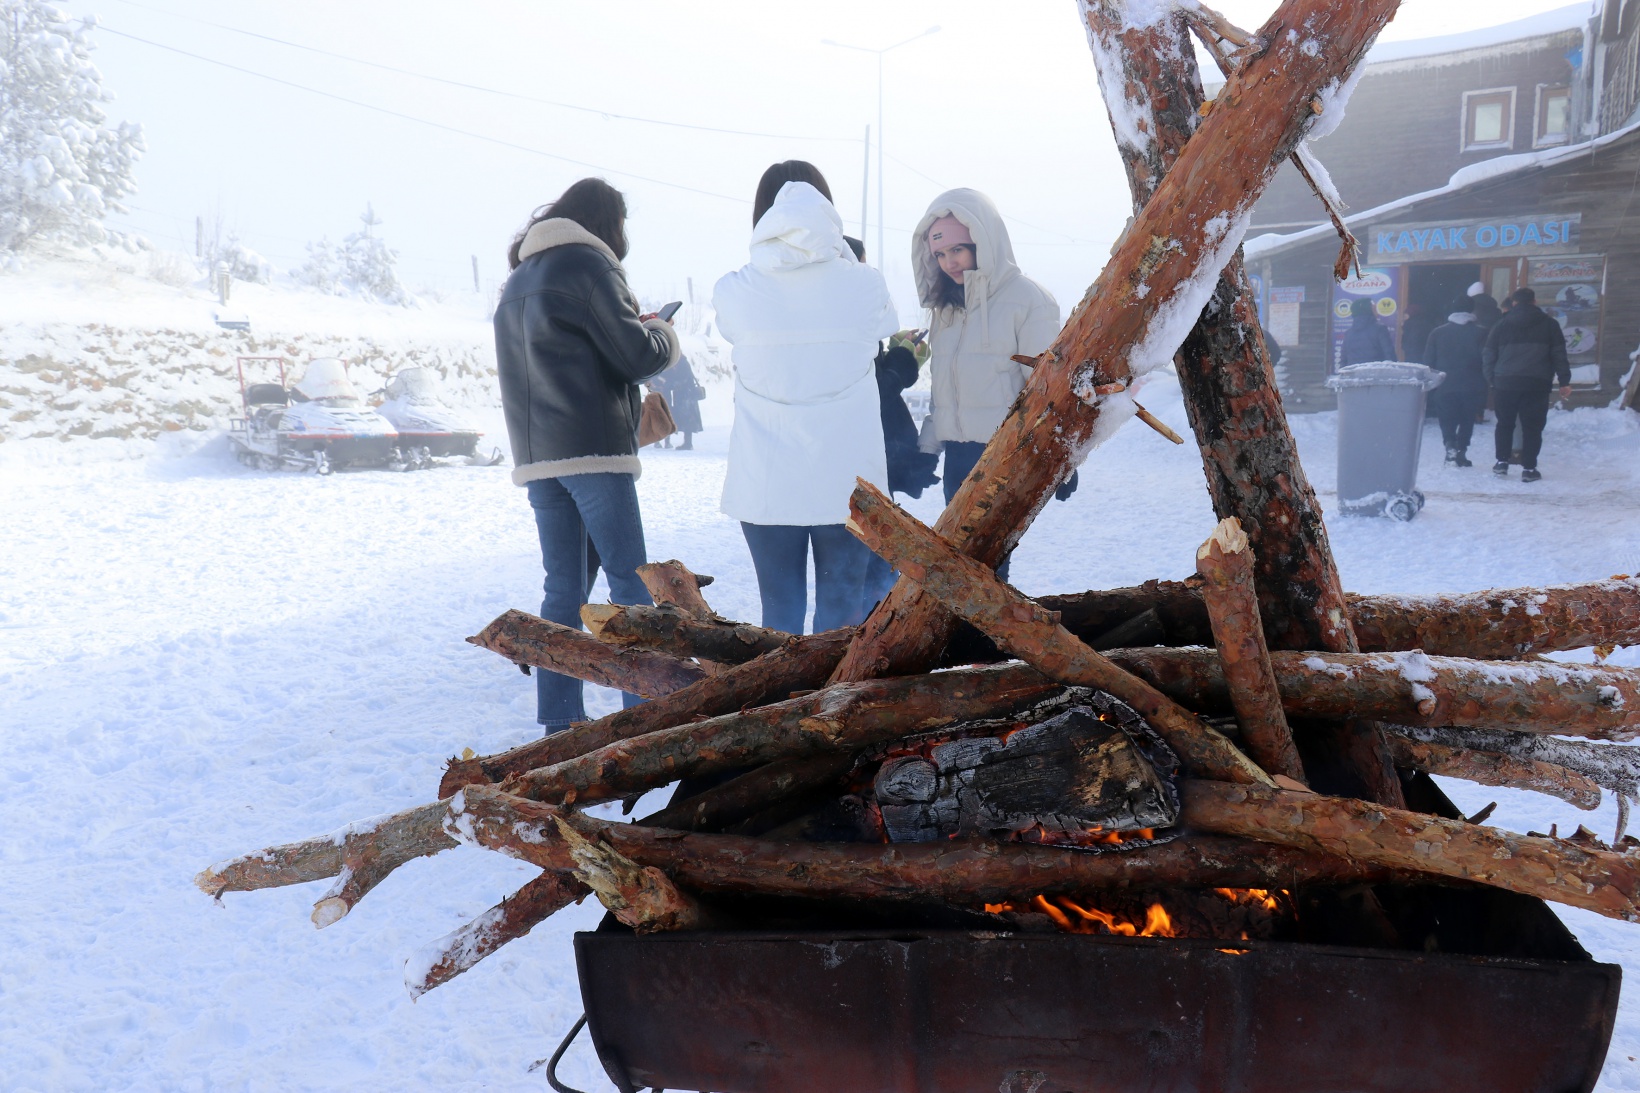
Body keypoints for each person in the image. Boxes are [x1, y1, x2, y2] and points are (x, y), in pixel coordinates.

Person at [494, 178, 680, 733]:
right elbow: (636, 357)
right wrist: (664, 332)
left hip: (539, 459)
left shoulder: (517, 281)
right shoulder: (591, 266)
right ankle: (642, 722)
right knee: (630, 586)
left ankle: (559, 722)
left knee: (563, 589)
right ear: (609, 222)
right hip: (594, 454)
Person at [713, 162, 897, 634]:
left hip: (766, 483)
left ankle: (780, 705)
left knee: (779, 616)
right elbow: (885, 328)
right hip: (848, 485)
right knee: (842, 613)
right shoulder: (865, 282)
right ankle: (836, 703)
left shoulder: (734, 289)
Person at [912, 188, 1064, 580]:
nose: (949, 263)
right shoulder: (946, 310)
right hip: (959, 461)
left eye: (958, 250)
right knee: (954, 569)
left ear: (984, 240)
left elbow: (1048, 389)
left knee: (987, 571)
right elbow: (942, 391)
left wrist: (1061, 459)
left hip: (1005, 456)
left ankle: (986, 642)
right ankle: (961, 642)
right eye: (940, 254)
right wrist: (928, 449)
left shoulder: (1029, 301)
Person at [846, 234, 940, 615]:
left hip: (871, 460)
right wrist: (902, 364)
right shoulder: (846, 309)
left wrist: (896, 351)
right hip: (860, 466)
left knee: (874, 571)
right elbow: (866, 392)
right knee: (865, 577)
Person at [1483, 287, 1572, 482]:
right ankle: (1529, 468)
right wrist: (1564, 380)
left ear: (1513, 303)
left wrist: (1492, 379)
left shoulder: (1501, 325)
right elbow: (1559, 354)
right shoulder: (1550, 325)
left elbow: (1489, 355)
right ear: (1534, 301)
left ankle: (1501, 463)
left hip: (1505, 382)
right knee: (1533, 426)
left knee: (1505, 423)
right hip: (1537, 383)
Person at [1422, 294, 1488, 467]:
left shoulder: (1437, 332)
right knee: (1467, 418)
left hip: (1445, 383)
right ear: (1472, 309)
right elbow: (1486, 359)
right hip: (1472, 383)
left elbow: (1428, 361)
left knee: (1447, 418)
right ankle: (1462, 452)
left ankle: (1450, 445)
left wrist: (1430, 383)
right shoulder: (1482, 332)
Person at [651, 353, 704, 449]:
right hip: (680, 397)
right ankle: (686, 443)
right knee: (684, 419)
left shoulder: (683, 364)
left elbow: (683, 380)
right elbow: (669, 377)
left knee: (688, 420)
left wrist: (668, 384)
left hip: (688, 397)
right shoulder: (676, 364)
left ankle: (688, 443)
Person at [1338, 297, 1397, 365]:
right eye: (1374, 308)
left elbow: (1343, 359)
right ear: (1368, 310)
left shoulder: (1348, 333)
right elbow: (1389, 355)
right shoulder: (1380, 329)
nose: (1377, 311)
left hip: (1354, 374)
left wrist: (1343, 374)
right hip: (1375, 373)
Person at [1399, 300, 1439, 364]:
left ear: (1411, 314)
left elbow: (1411, 345)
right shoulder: (1427, 324)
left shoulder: (1411, 326)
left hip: (1414, 359)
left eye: (1405, 315)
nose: (1403, 318)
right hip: (1422, 358)